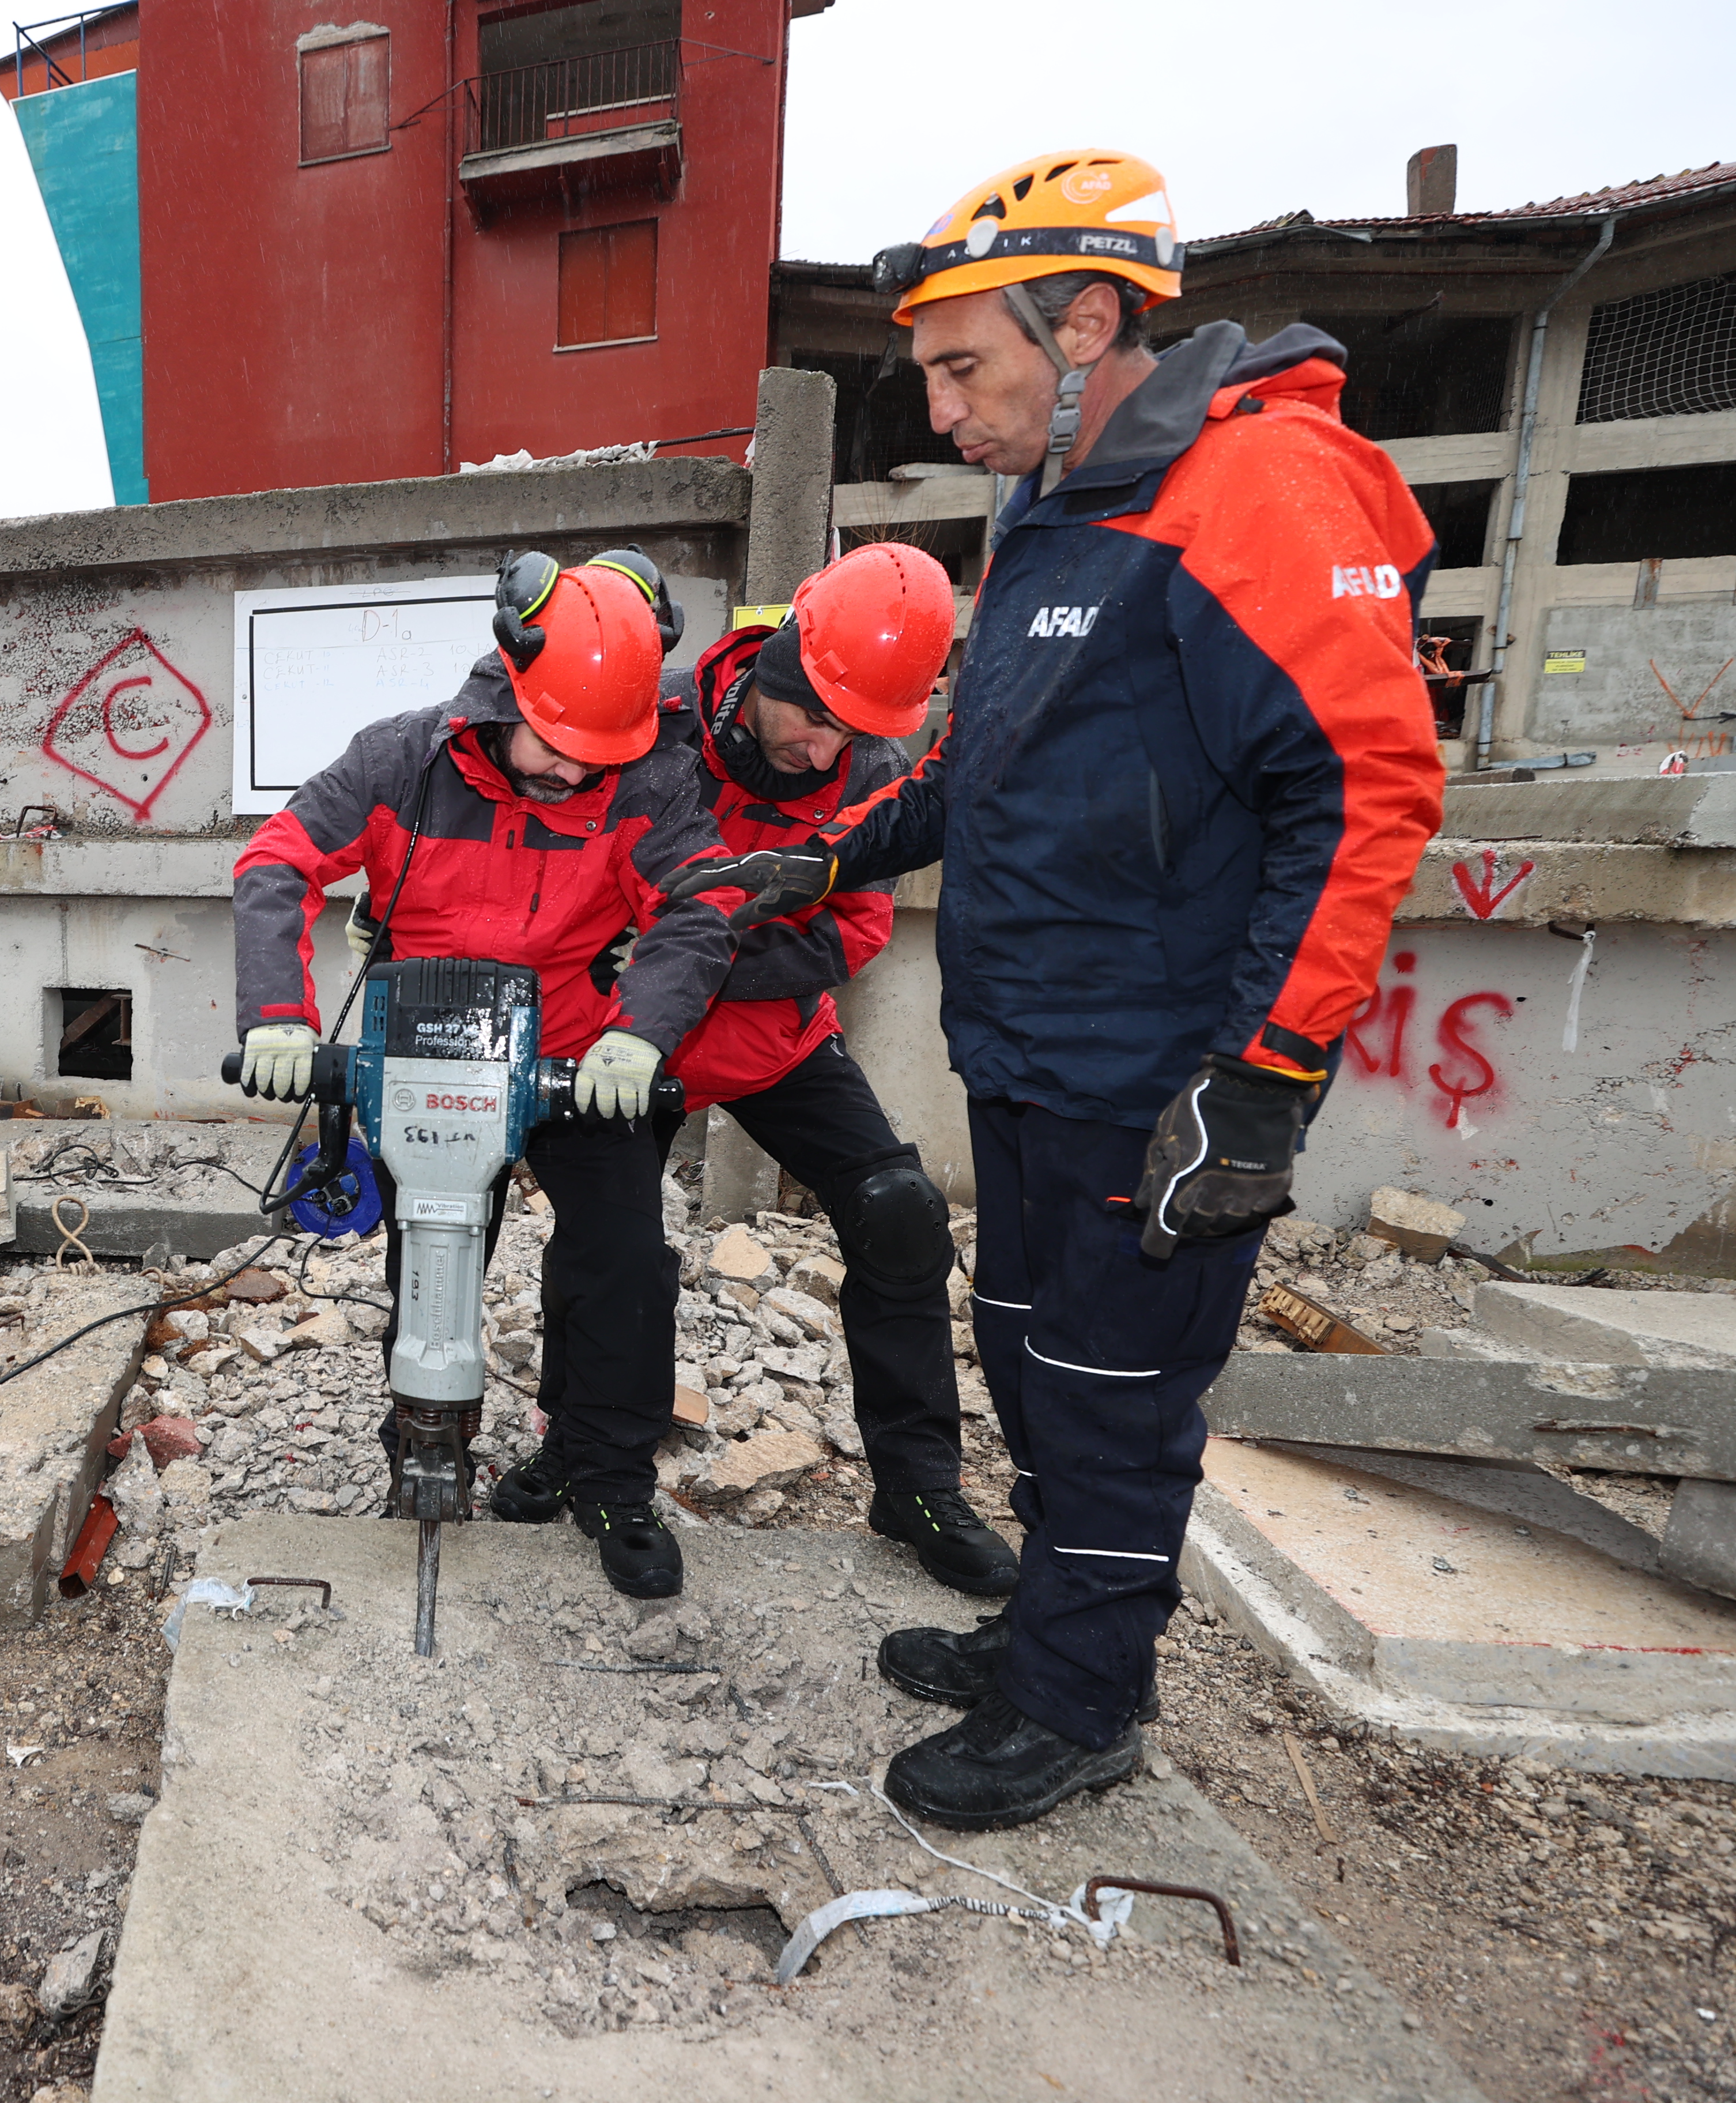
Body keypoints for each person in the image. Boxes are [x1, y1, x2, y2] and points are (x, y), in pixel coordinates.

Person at [716, 149, 1444, 1829]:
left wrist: (1261, 1081)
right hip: (1034, 1054)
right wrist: (829, 858)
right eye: (931, 376)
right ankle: (1048, 1631)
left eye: (968, 368)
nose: (945, 411)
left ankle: (1082, 1703)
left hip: (1164, 1075)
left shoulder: (1257, 492)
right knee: (1034, 1349)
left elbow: (1363, 791)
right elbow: (990, 763)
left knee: (1116, 1394)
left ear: (1091, 317)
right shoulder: (1062, 506)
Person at [232, 552, 741, 1599]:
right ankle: (426, 1434)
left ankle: (606, 1477)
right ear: (508, 689)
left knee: (624, 1262)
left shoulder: (643, 780)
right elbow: (276, 863)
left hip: (575, 1052)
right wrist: (279, 1018)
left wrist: (641, 1035)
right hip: (429, 1047)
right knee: (430, 1254)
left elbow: (698, 904)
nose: (574, 773)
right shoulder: (395, 763)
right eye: (556, 746)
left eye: (596, 755)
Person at [646, 543, 1015, 1597]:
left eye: (853, 734)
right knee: (616, 1241)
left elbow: (853, 929)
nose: (825, 753)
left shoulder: (869, 769)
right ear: (775, 662)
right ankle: (598, 1465)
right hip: (637, 1037)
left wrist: (707, 956)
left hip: (777, 1038)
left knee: (901, 1211)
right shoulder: (658, 730)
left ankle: (916, 1486)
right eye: (812, 719)